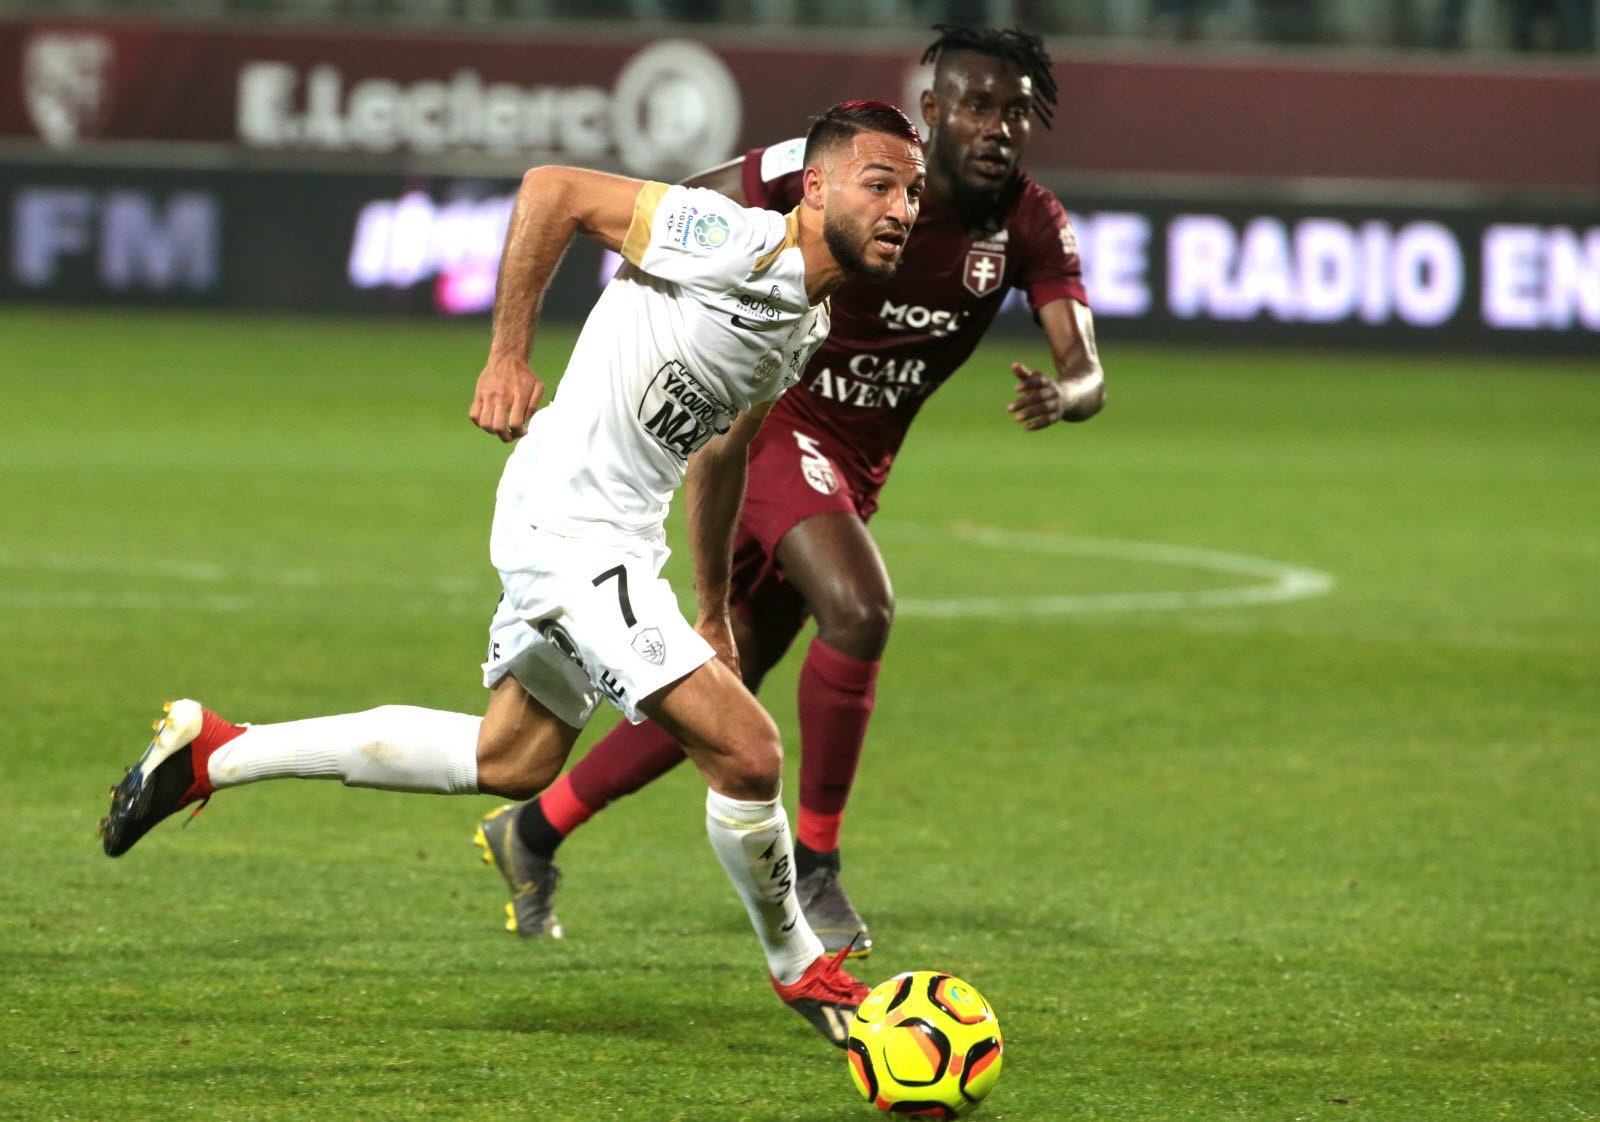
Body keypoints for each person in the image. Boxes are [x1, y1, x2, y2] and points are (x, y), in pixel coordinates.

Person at [99, 99, 928, 1049]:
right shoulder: (733, 242)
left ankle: (217, 751)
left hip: (615, 539)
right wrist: (506, 358)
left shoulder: (806, 321)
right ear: (815, 187)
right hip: (569, 533)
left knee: (514, 760)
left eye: (911, 190)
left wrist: (711, 607)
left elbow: (720, 453)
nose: (902, 207)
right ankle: (801, 970)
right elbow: (555, 190)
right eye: (879, 183)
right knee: (749, 752)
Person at [480, 25, 1104, 959]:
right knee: (860, 608)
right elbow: (695, 202)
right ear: (933, 111)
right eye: (976, 104)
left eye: (1017, 110)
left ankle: (533, 829)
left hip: (856, 468)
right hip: (775, 427)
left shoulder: (1030, 224)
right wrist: (674, 325)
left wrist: (1070, 391)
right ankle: (816, 868)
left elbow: (1087, 366)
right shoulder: (862, 173)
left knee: (726, 684)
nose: (997, 126)